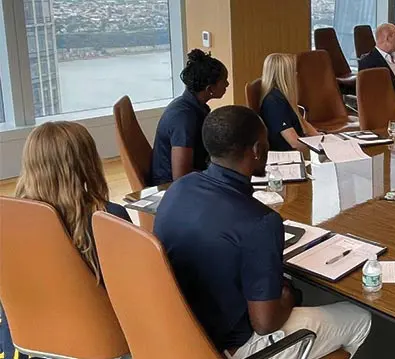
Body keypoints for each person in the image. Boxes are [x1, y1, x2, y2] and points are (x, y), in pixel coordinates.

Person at [154, 106, 371, 359]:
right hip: (230, 346)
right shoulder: (261, 222)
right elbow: (265, 323)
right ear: (257, 150)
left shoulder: (179, 187)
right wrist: (287, 297)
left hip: (180, 331)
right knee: (359, 318)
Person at [2, 121, 133, 359]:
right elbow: (134, 295)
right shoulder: (107, 218)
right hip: (105, 344)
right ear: (87, 163)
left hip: (25, 344)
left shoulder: (9, 221)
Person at [149, 49, 229, 185]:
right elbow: (181, 176)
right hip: (171, 188)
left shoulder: (192, 105)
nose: (227, 84)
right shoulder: (184, 118)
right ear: (210, 89)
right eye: (224, 81)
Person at [259, 53, 319, 151]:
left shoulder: (284, 97)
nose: (296, 74)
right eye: (293, 71)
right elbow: (294, 142)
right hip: (285, 156)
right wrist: (322, 147)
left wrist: (322, 138)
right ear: (284, 75)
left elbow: (305, 125)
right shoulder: (273, 102)